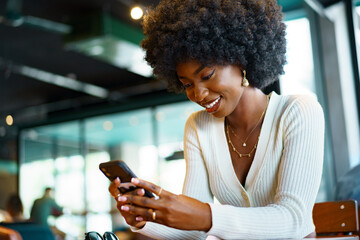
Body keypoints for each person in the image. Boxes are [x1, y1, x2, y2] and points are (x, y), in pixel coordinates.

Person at [108, 0, 325, 239]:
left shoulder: (298, 111)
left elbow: (293, 220)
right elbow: (193, 232)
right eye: (187, 84)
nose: (198, 94)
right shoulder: (198, 127)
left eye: (207, 75)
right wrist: (145, 217)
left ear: (240, 59)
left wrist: (204, 215)